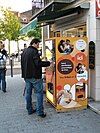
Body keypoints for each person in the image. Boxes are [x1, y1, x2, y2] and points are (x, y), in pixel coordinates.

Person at [21, 38, 50, 117]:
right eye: (38, 44)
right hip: (35, 76)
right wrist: (48, 63)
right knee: (39, 94)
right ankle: (40, 112)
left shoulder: (24, 51)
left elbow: (23, 64)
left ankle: (29, 110)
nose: (38, 46)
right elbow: (38, 63)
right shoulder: (34, 51)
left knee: (28, 93)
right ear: (34, 43)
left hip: (26, 76)